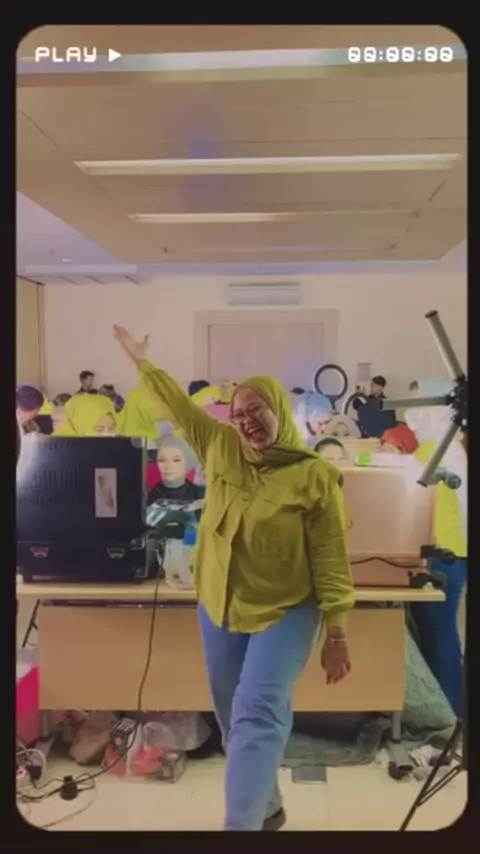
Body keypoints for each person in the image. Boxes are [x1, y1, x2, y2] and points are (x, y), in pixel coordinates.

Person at [113, 325, 354, 832]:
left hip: (286, 607)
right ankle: (268, 809)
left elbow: (331, 557)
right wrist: (142, 363)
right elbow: (179, 408)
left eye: (256, 410)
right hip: (220, 601)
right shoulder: (221, 445)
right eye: (239, 413)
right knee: (230, 715)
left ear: (278, 410)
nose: (246, 422)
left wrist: (337, 631)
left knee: (257, 712)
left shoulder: (314, 476)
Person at [406, 379, 467, 717]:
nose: (411, 414)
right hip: (454, 552)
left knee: (438, 632)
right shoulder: (452, 447)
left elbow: (409, 492)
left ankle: (449, 711)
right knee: (442, 630)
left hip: (442, 555)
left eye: (418, 404)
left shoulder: (434, 450)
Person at [147, 436, 204, 506]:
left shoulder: (200, 496)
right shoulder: (149, 499)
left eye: (176, 460)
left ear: (188, 462)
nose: (168, 466)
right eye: (162, 460)